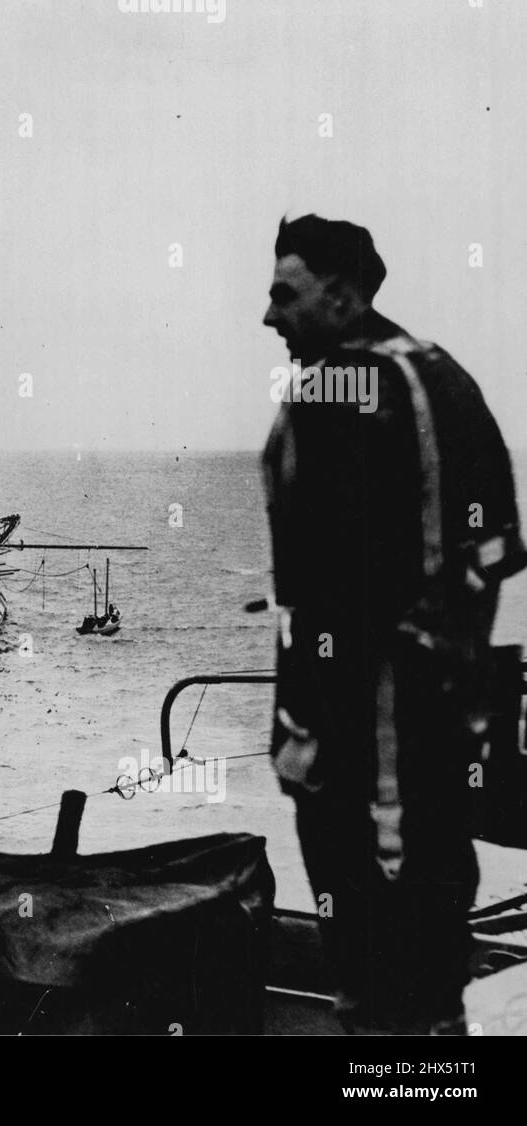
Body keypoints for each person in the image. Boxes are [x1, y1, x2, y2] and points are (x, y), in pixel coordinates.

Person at [260, 214, 527, 1033]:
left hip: (377, 761)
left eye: (284, 295)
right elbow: (485, 560)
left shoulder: (359, 391)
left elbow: (400, 609)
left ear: (342, 296)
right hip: (383, 748)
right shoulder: (429, 377)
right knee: (406, 977)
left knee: (388, 978)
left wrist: (351, 761)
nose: (268, 317)